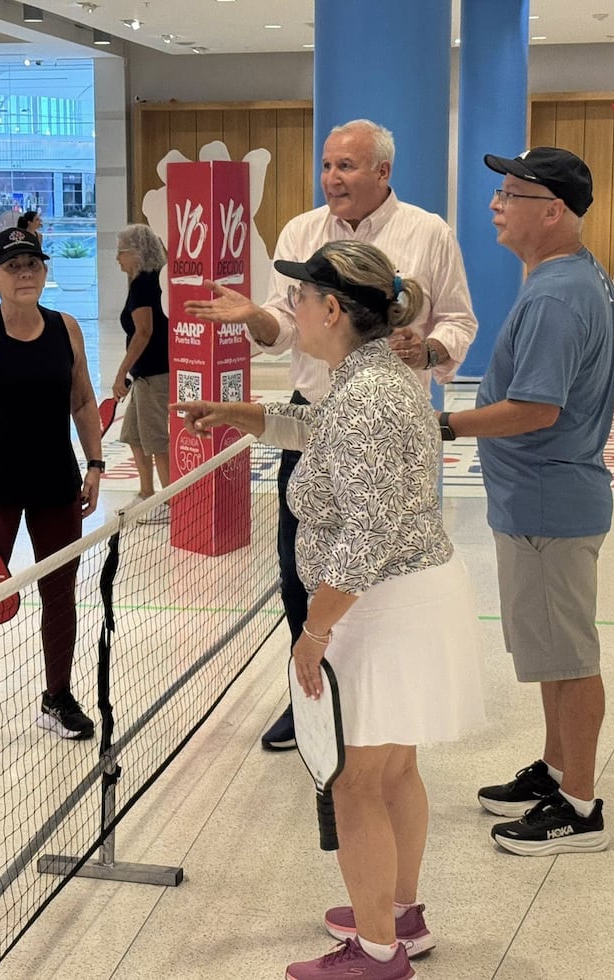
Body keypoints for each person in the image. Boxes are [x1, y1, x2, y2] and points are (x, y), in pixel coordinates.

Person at [175, 240, 483, 980]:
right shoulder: (373, 376)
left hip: (379, 610)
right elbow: (317, 428)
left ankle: (376, 952)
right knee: (395, 771)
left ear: (333, 309)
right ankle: (399, 917)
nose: (294, 310)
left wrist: (314, 632)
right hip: (405, 599)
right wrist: (239, 414)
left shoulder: (370, 392)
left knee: (353, 781)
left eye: (300, 299)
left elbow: (369, 532)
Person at [184, 118, 477, 751]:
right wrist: (257, 325)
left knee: (369, 551)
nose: (332, 178)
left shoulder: (428, 233)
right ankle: (311, 689)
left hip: (375, 419)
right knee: (300, 560)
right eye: (326, 165)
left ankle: (343, 673)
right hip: (322, 407)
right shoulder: (302, 229)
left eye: (346, 166)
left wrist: (425, 349)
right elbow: (288, 333)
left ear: (382, 173)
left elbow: (458, 320)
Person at [436, 147, 614, 856]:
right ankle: (558, 770)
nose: (495, 205)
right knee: (550, 651)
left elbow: (532, 409)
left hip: (548, 500)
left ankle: (580, 808)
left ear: (551, 211)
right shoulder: (578, 273)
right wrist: (595, 395)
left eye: (510, 195)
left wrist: (445, 423)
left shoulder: (558, 294)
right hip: (545, 496)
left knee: (569, 654)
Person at [0, 227, 104, 754]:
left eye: (33, 263)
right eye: (13, 266)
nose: (25, 272)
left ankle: (56, 698)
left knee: (60, 595)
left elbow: (82, 402)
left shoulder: (65, 328)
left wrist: (95, 462)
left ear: (45, 272)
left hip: (55, 483)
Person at [112, 223, 170, 522]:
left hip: (155, 373)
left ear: (135, 253)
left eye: (121, 252)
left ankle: (171, 501)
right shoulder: (146, 280)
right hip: (144, 374)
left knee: (155, 438)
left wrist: (120, 371)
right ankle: (147, 493)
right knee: (134, 434)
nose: (117, 259)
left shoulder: (145, 284)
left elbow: (143, 332)